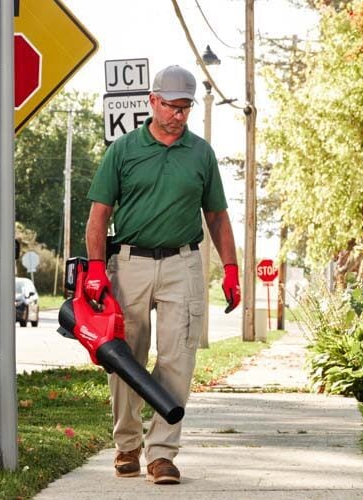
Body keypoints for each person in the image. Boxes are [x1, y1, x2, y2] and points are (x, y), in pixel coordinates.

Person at [84, 65, 240, 485]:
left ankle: (162, 453)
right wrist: (96, 268)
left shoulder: (201, 153)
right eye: (171, 106)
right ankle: (127, 444)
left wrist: (230, 268)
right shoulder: (123, 150)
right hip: (129, 264)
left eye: (185, 107)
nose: (178, 115)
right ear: (152, 101)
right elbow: (99, 215)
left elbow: (217, 216)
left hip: (183, 264)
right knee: (124, 357)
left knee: (178, 358)